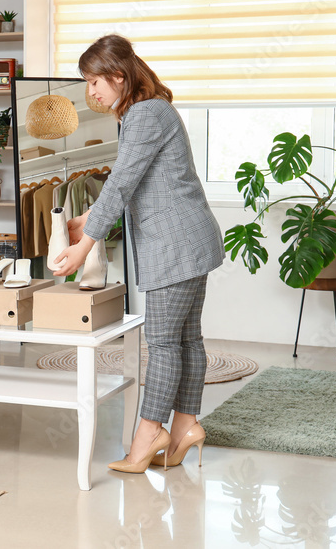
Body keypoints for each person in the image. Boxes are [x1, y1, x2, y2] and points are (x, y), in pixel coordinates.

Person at [53, 34, 223, 473]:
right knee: (187, 339)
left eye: (94, 81)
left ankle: (148, 436)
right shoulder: (151, 110)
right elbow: (139, 181)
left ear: (118, 74)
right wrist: (89, 217)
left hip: (175, 246)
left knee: (164, 343)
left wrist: (83, 246)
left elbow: (123, 183)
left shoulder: (145, 114)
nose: (90, 92)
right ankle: (185, 426)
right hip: (190, 239)